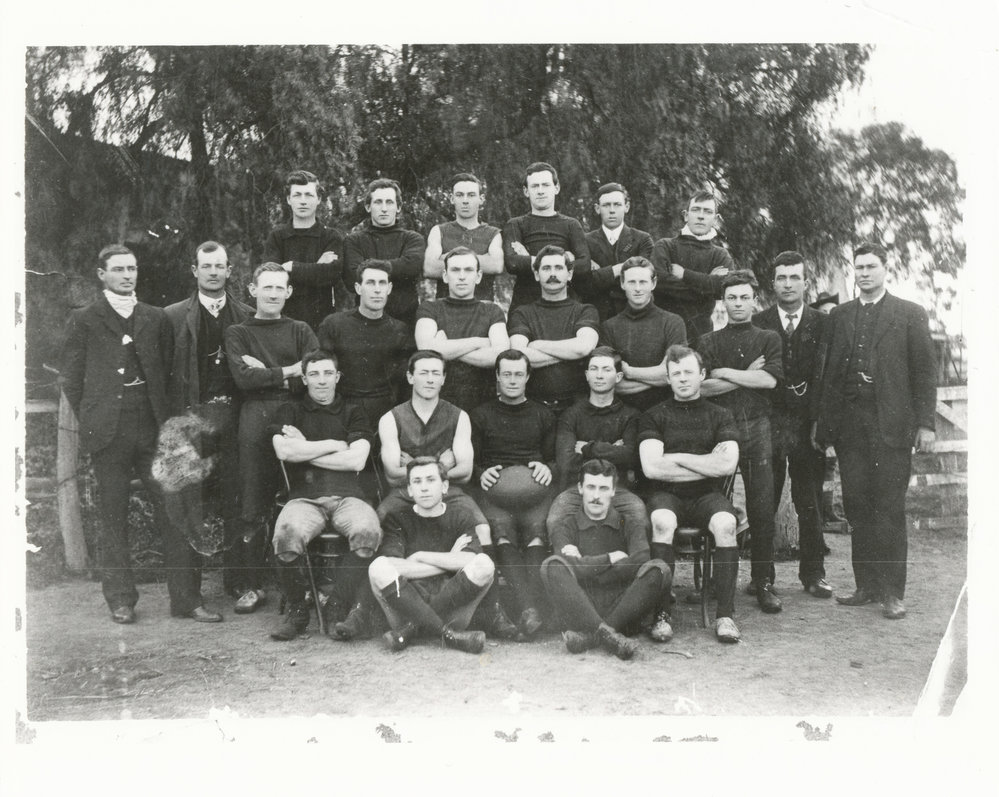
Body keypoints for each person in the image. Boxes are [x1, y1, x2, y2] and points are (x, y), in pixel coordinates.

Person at [815, 242, 936, 620]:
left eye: (871, 267)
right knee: (857, 507)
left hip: (892, 426)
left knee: (888, 508)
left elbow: (924, 372)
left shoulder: (910, 314)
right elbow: (829, 372)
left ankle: (892, 593)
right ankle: (866, 585)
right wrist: (825, 423)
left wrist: (926, 424)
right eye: (859, 267)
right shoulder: (840, 316)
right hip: (851, 427)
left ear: (886, 269)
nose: (864, 273)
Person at [59, 244, 174, 624]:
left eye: (133, 269)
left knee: (171, 508)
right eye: (119, 269)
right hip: (109, 432)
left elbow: (168, 373)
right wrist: (94, 419)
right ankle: (121, 600)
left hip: (151, 427)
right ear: (102, 274)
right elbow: (72, 381)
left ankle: (186, 598)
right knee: (113, 516)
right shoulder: (85, 318)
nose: (127, 275)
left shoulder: (155, 317)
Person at [373, 349, 517, 640]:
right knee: (376, 525)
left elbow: (464, 471)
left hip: (450, 490)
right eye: (423, 372)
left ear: (443, 379)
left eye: (436, 373)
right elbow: (391, 472)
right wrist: (440, 463)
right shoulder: (392, 417)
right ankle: (364, 608)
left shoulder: (458, 416)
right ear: (411, 377)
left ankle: (493, 610)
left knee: (483, 528)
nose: (429, 379)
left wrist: (416, 464)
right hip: (405, 491)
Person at [161, 240, 254, 622]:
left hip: (235, 422)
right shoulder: (171, 316)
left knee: (238, 499)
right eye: (206, 266)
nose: (213, 272)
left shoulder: (247, 315)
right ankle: (186, 598)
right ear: (195, 271)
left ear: (230, 271)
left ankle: (240, 582)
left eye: (220, 266)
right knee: (185, 504)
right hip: (190, 425)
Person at [223, 263, 319, 613]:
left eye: (280, 288)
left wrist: (269, 372)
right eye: (267, 288)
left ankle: (305, 583)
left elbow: (313, 374)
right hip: (254, 415)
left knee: (304, 493)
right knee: (252, 499)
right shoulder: (238, 331)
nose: (274, 294)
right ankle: (251, 584)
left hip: (295, 414)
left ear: (289, 292)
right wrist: (288, 371)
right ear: (252, 290)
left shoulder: (300, 329)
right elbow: (244, 380)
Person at [267, 349, 382, 640]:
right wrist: (334, 443)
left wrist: (305, 450)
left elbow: (356, 460)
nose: (321, 381)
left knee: (368, 532)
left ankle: (337, 604)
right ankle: (297, 610)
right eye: (314, 374)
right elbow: (284, 451)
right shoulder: (289, 411)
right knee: (286, 535)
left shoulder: (354, 411)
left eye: (328, 373)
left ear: (337, 376)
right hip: (303, 498)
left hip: (349, 497)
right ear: (304, 378)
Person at [639, 345, 742, 643]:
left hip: (707, 496)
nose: (683, 379)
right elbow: (652, 468)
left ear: (702, 374)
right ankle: (661, 614)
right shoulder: (653, 416)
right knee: (661, 521)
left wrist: (676, 458)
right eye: (676, 374)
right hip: (667, 495)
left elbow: (727, 464)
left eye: (688, 372)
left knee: (726, 524)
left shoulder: (720, 415)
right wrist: (705, 462)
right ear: (668, 379)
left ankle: (725, 615)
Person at [696, 270, 784, 614]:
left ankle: (763, 583)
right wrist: (747, 373)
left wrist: (727, 373)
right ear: (723, 301)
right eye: (731, 297)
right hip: (717, 431)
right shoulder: (707, 342)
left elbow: (768, 381)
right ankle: (717, 584)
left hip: (757, 429)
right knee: (716, 506)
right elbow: (703, 387)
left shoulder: (768, 338)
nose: (738, 304)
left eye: (744, 297)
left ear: (754, 300)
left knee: (763, 510)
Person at [753, 251, 831, 598]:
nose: (788, 284)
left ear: (805, 282)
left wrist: (819, 424)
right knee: (763, 501)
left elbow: (827, 376)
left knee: (809, 501)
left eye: (794, 277)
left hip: (805, 425)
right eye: (781, 278)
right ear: (773, 283)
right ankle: (762, 577)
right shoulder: (758, 321)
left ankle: (813, 574)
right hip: (768, 422)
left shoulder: (823, 323)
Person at [541, 459, 671, 659]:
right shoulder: (565, 525)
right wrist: (610, 559)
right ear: (580, 488)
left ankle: (594, 636)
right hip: (582, 605)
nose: (596, 496)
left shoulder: (629, 523)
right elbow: (562, 563)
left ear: (613, 491)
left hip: (622, 607)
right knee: (551, 566)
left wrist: (585, 565)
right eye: (591, 487)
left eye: (603, 488)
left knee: (659, 569)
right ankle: (609, 635)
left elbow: (641, 558)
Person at [470, 349, 557, 638]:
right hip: (495, 495)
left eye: (518, 374)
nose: (512, 379)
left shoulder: (543, 413)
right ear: (496, 376)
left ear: (528, 377)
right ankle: (529, 608)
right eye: (506, 374)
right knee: (502, 533)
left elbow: (556, 458)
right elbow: (472, 459)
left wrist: (549, 469)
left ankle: (528, 610)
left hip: (535, 493)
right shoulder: (481, 414)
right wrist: (481, 471)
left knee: (535, 533)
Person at [367, 457, 495, 654]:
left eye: (430, 480)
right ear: (409, 490)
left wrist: (419, 556)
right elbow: (393, 565)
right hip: (405, 608)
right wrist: (449, 558)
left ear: (444, 486)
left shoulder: (461, 515)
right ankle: (449, 636)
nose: (424, 488)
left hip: (453, 611)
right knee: (378, 567)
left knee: (485, 564)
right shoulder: (397, 518)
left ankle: (412, 630)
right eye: (417, 482)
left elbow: (471, 560)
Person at [548, 347, 647, 538]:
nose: (599, 375)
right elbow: (566, 461)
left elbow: (631, 456)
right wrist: (613, 450)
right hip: (578, 489)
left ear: (618, 377)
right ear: (586, 375)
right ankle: (564, 566)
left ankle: (630, 567)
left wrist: (587, 448)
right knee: (555, 520)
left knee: (638, 516)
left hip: (617, 490)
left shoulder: (630, 416)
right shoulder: (571, 415)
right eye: (594, 369)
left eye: (606, 369)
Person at [317, 260, 415, 429]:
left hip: (385, 415)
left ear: (389, 288)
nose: (377, 289)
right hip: (341, 412)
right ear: (358, 288)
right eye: (370, 283)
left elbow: (405, 384)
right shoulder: (334, 324)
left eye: (382, 283)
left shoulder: (400, 330)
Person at [508, 245, 599, 418]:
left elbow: (583, 348)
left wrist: (537, 345)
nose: (552, 274)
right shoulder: (522, 312)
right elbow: (519, 357)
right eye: (546, 268)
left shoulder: (585, 311)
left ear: (569, 274)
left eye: (558, 268)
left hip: (578, 409)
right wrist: (569, 354)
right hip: (533, 408)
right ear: (536, 275)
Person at [415, 246, 509, 412]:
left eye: (468, 270)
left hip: (483, 406)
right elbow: (426, 350)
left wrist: (444, 347)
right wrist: (479, 342)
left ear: (478, 276)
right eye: (455, 270)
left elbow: (499, 357)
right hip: (438, 406)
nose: (462, 276)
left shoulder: (492, 311)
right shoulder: (429, 308)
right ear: (445, 275)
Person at [263, 169, 352, 327]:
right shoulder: (277, 237)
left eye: (309, 195)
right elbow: (272, 279)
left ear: (318, 199)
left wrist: (290, 267)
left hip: (321, 324)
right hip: (283, 323)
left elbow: (332, 275)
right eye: (297, 195)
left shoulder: (331, 237)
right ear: (289, 199)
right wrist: (316, 268)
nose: (303, 201)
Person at [600, 256, 688, 412]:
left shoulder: (673, 322)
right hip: (622, 414)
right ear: (622, 284)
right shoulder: (609, 327)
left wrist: (629, 372)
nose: (638, 288)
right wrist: (660, 378)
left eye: (643, 282)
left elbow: (676, 374)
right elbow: (609, 382)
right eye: (632, 282)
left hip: (665, 411)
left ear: (653, 283)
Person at [502, 162, 590, 310]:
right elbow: (512, 263)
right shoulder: (515, 224)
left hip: (564, 302)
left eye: (546, 185)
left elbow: (584, 265)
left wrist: (530, 259)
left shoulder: (571, 224)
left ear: (556, 188)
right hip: (526, 302)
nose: (540, 191)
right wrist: (565, 260)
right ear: (526, 191)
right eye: (535, 186)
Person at [650, 190, 736, 342]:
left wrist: (685, 275)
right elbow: (660, 283)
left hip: (701, 335)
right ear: (685, 215)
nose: (701, 216)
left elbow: (724, 288)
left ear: (715, 219)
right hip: (662, 332)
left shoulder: (720, 255)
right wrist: (708, 282)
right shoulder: (665, 246)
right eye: (696, 210)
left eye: (707, 211)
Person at [343, 178, 426, 327]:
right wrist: (397, 267)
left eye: (389, 202)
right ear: (368, 207)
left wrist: (367, 269)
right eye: (378, 202)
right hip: (365, 322)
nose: (384, 208)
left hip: (406, 321)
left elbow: (412, 267)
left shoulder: (412, 238)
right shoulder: (354, 240)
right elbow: (351, 278)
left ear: (398, 207)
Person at [575, 182, 654, 320]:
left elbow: (642, 278)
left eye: (617, 205)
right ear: (597, 208)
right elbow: (583, 284)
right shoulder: (585, 241)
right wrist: (620, 269)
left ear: (626, 207)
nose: (612, 210)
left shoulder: (642, 239)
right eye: (606, 205)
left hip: (634, 315)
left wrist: (607, 272)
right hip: (596, 316)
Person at [423, 172, 504, 302]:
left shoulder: (493, 233)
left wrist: (446, 257)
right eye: (460, 195)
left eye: (471, 195)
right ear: (451, 198)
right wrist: (481, 260)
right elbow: (430, 269)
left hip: (482, 309)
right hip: (445, 310)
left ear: (481, 199)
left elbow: (496, 266)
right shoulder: (438, 231)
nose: (465, 200)